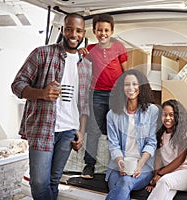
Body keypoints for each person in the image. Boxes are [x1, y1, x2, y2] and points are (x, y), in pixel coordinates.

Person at [11, 13, 91, 200]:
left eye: (78, 31)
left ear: (83, 33)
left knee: (54, 181)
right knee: (39, 182)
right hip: (42, 129)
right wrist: (41, 93)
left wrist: (82, 131)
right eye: (69, 29)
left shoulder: (86, 64)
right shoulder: (42, 53)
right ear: (62, 30)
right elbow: (17, 85)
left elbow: (84, 103)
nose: (73, 34)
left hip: (68, 131)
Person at [79, 13, 128, 179]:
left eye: (106, 30)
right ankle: (89, 165)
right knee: (93, 129)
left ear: (112, 31)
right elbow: (80, 58)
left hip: (116, 94)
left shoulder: (119, 47)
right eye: (99, 30)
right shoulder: (91, 49)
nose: (103, 33)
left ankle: (119, 163)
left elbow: (125, 71)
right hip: (96, 94)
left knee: (118, 128)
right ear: (94, 31)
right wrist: (80, 51)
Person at [105, 69, 159, 200]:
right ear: (121, 88)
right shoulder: (112, 114)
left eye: (135, 84)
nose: (131, 88)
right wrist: (120, 162)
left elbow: (151, 143)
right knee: (122, 187)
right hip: (118, 167)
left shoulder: (152, 111)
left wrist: (140, 165)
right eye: (127, 84)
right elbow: (113, 144)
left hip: (143, 167)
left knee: (125, 183)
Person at [146, 99, 187, 200]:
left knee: (164, 181)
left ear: (178, 116)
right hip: (170, 174)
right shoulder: (160, 134)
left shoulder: (184, 132)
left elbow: (180, 160)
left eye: (171, 115)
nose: (167, 118)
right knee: (165, 194)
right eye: (164, 115)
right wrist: (154, 178)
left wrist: (160, 175)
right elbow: (158, 158)